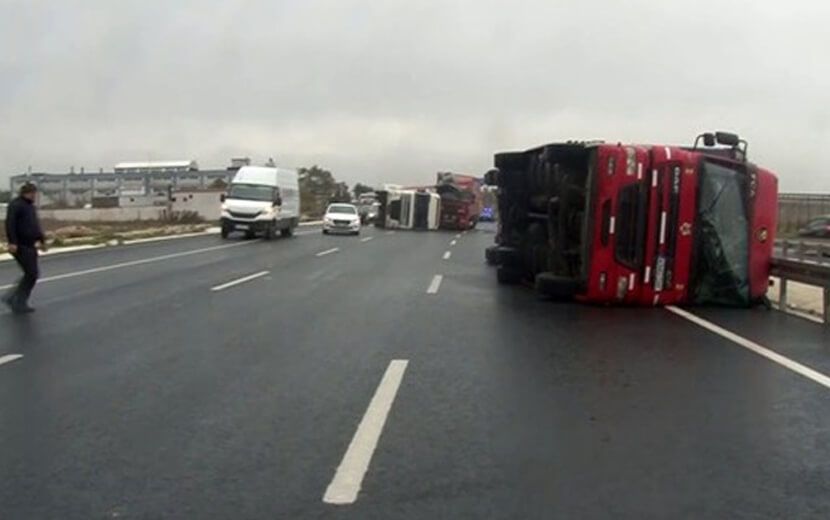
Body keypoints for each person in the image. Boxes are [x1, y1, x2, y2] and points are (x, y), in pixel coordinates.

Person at [3, 183, 47, 314]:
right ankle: (17, 301)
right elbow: (10, 224)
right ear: (27, 193)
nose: (35, 196)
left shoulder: (30, 207)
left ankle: (13, 299)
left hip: (30, 245)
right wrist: (12, 242)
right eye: (33, 193)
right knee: (31, 274)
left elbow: (35, 226)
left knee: (31, 274)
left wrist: (42, 240)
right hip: (20, 245)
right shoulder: (16, 205)